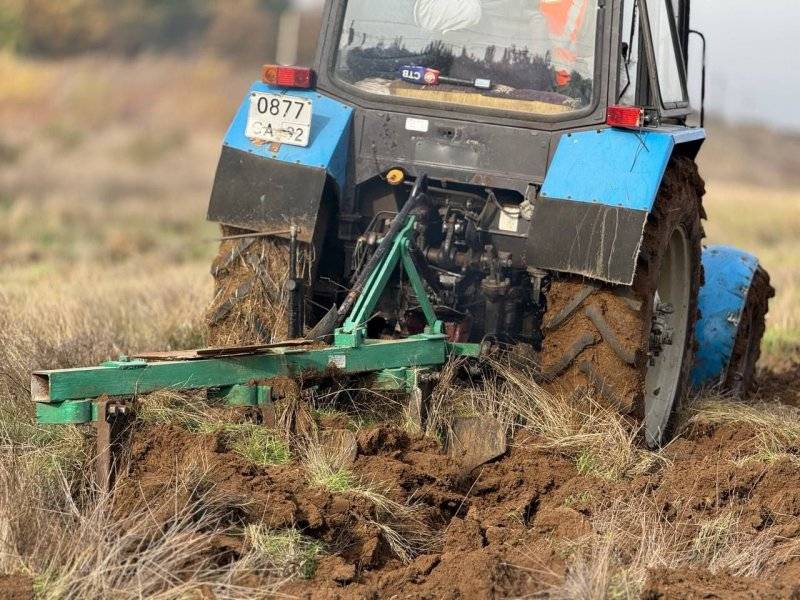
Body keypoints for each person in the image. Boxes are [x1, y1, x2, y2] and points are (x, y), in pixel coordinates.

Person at [413, 0, 594, 86]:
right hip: (466, 81)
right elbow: (423, 16)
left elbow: (593, 60)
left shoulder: (583, 7)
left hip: (551, 98)